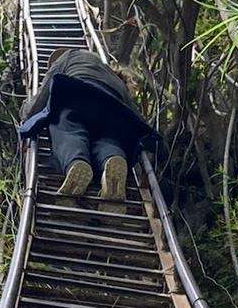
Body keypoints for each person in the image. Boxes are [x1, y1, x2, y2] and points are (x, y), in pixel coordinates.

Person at [18, 45, 158, 202]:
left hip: (79, 94)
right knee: (109, 139)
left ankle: (76, 162)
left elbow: (42, 98)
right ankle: (112, 159)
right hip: (114, 107)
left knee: (67, 130)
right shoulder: (114, 77)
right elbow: (135, 115)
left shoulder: (67, 57)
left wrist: (27, 113)